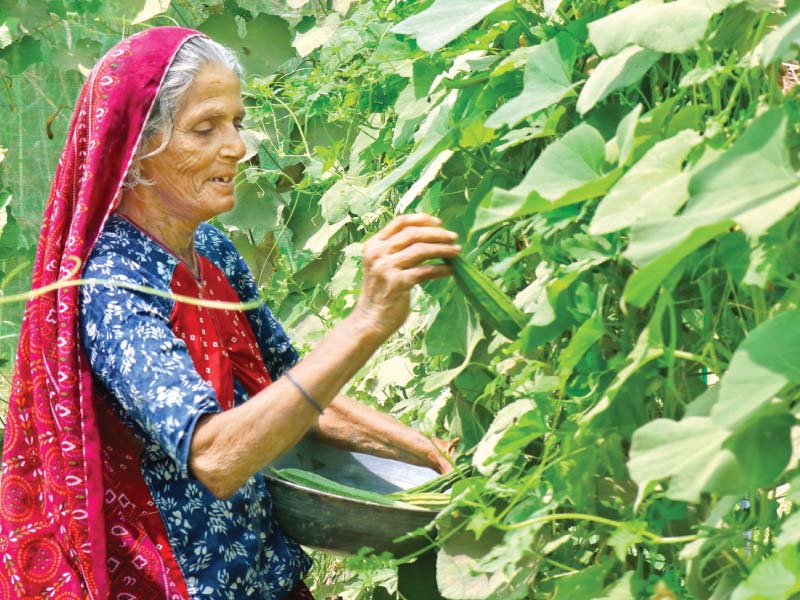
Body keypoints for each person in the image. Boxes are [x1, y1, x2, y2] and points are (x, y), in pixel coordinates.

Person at [0, 27, 460, 599]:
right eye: (205, 128)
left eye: (236, 123)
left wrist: (423, 451)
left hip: (263, 572)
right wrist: (366, 323)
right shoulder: (112, 284)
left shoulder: (211, 250)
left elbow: (292, 390)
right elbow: (216, 457)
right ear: (138, 147)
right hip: (174, 583)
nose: (237, 146)